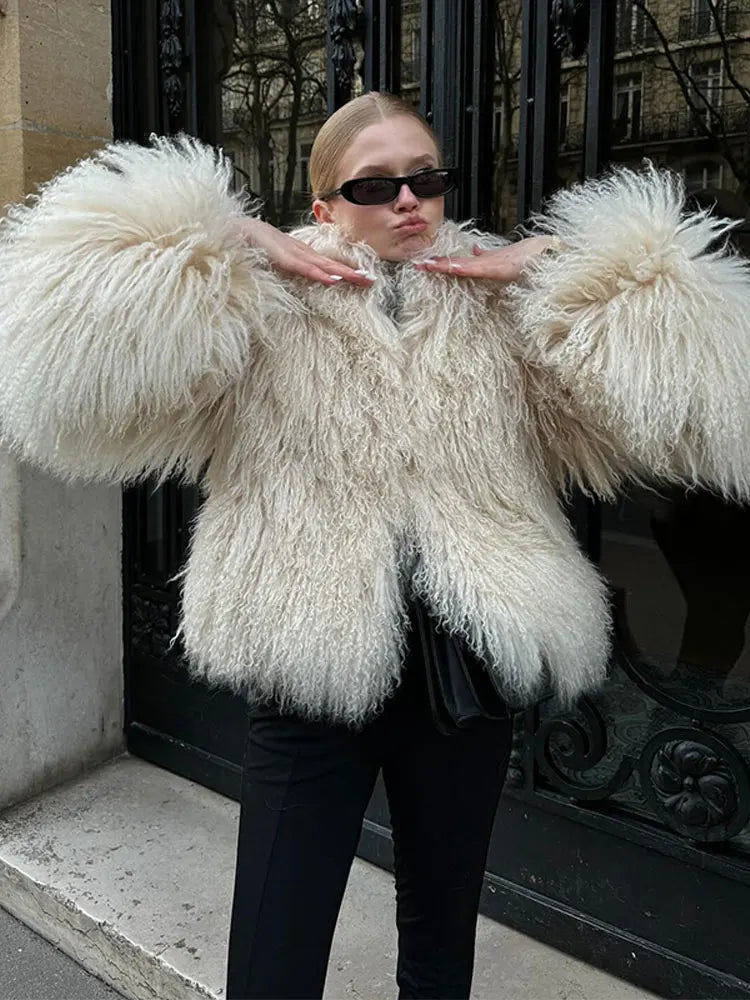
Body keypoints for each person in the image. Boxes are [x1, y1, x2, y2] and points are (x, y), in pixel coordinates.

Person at [1, 91, 750, 999]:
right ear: (325, 205)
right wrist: (226, 238)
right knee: (275, 947)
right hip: (307, 666)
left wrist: (567, 263)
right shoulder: (259, 306)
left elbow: (697, 400)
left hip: (466, 667)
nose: (407, 200)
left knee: (442, 937)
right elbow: (55, 346)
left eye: (426, 178)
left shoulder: (499, 309)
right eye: (374, 184)